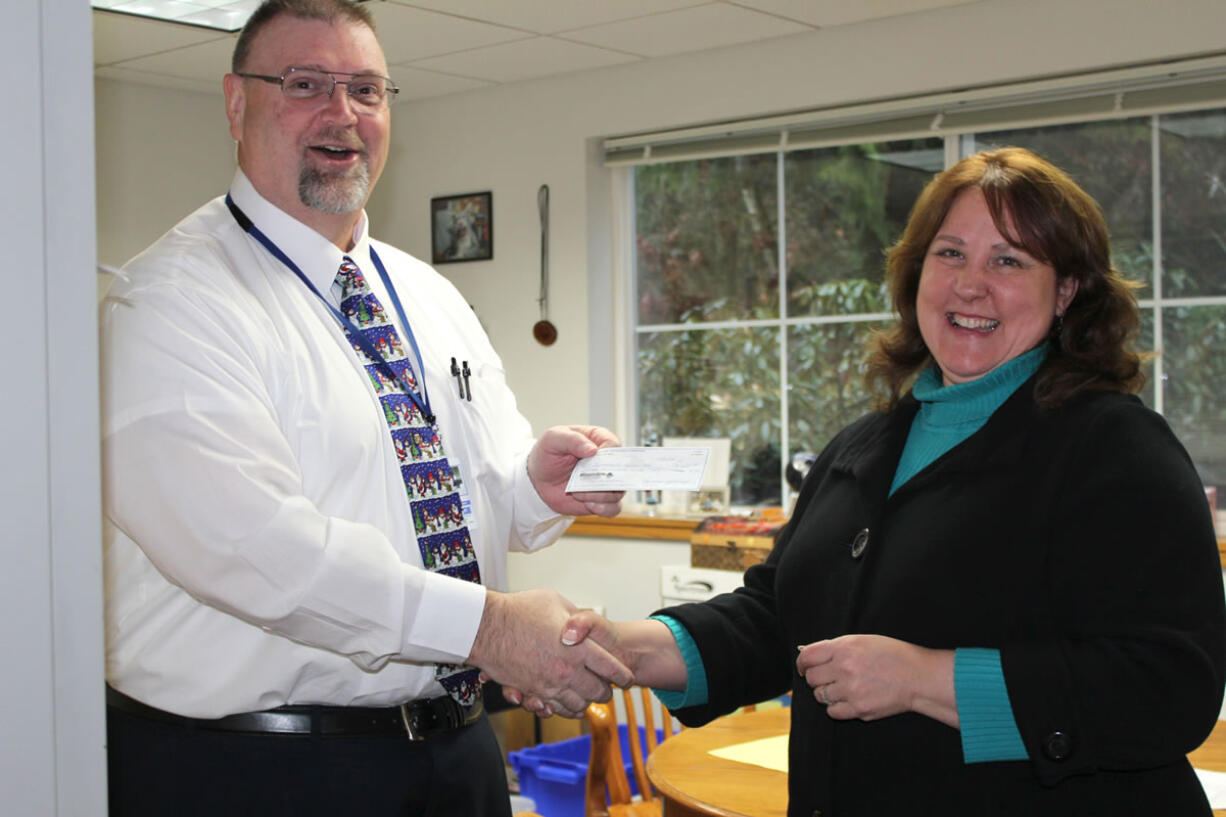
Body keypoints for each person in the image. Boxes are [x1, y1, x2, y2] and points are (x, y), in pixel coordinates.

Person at [559, 148, 1226, 815]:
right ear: (917, 273)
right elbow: (776, 619)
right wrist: (625, 647)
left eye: (1009, 260)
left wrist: (926, 679)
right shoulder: (863, 445)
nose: (971, 284)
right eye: (950, 254)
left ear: (1068, 291)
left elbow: (1170, 685)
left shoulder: (1114, 449)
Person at [99, 1, 629, 815]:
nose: (342, 114)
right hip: (257, 769)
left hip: (456, 754)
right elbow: (264, 554)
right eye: (305, 83)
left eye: (367, 90)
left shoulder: (429, 294)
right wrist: (486, 626)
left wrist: (533, 486)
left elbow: (458, 498)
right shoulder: (169, 304)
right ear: (237, 103)